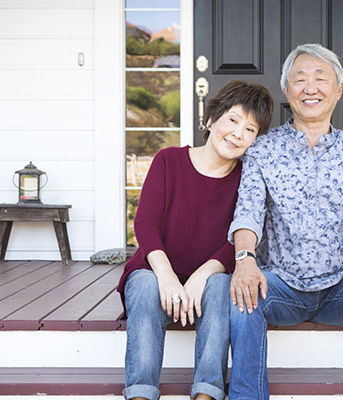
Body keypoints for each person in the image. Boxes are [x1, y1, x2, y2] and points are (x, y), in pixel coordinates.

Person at [228, 43, 343, 400]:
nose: (310, 88)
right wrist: (244, 260)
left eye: (321, 78)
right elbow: (248, 213)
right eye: (300, 79)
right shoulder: (262, 150)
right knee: (242, 297)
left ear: (339, 89)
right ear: (287, 90)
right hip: (281, 284)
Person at [116, 80, 274, 400]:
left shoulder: (248, 177)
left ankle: (207, 392)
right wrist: (167, 276)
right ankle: (140, 393)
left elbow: (239, 239)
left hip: (209, 278)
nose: (237, 133)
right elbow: (145, 223)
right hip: (157, 272)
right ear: (211, 119)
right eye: (232, 120)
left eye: (250, 129)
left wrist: (202, 275)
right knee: (145, 285)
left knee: (219, 286)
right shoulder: (169, 160)